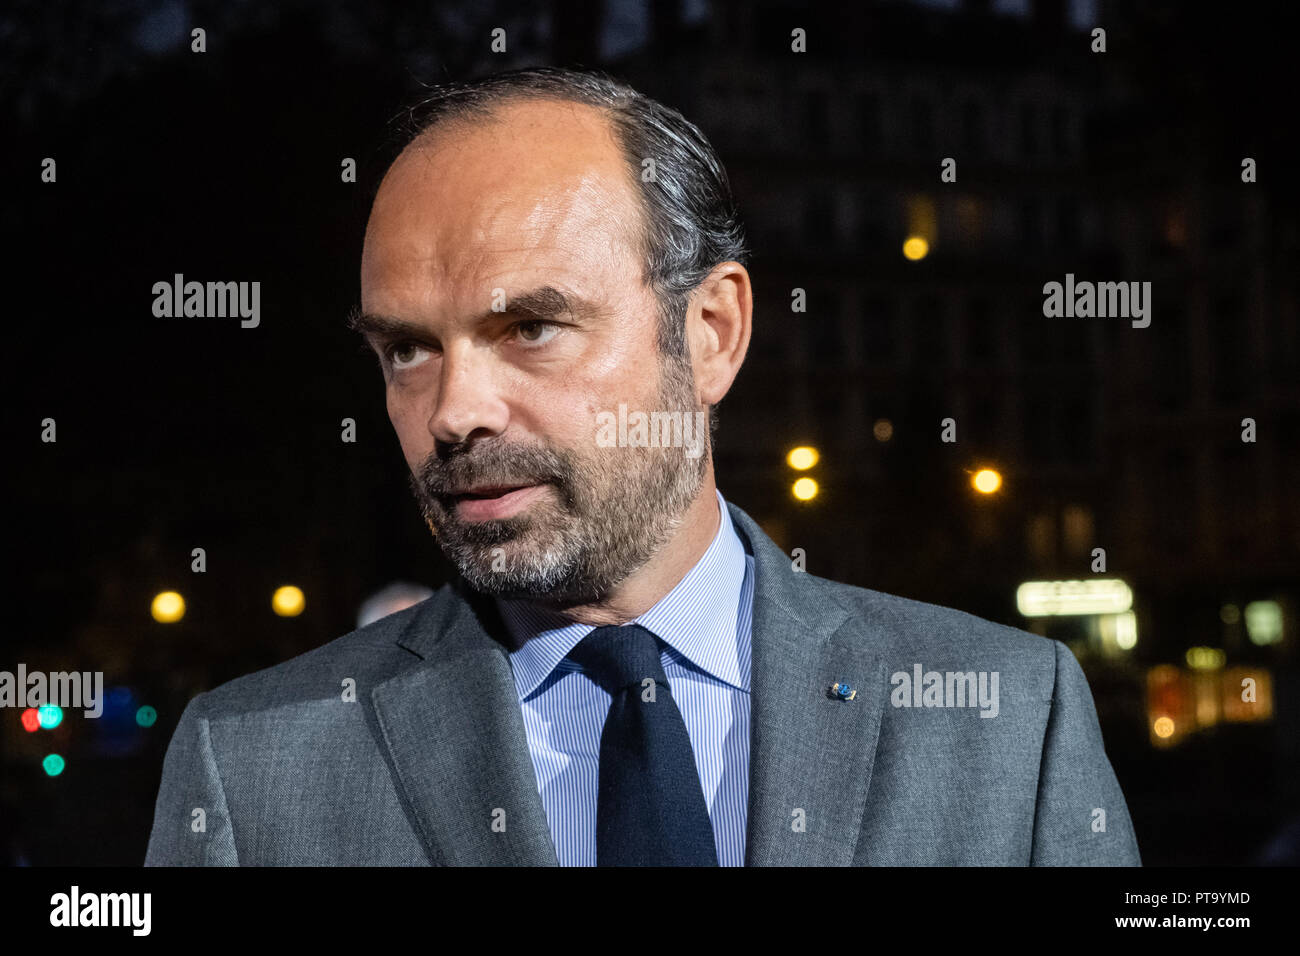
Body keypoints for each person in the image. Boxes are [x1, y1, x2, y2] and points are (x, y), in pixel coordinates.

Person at [145, 67, 1139, 866]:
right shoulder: (253, 761)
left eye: (530, 326)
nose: (452, 412)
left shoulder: (1012, 716)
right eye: (407, 348)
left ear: (710, 333)